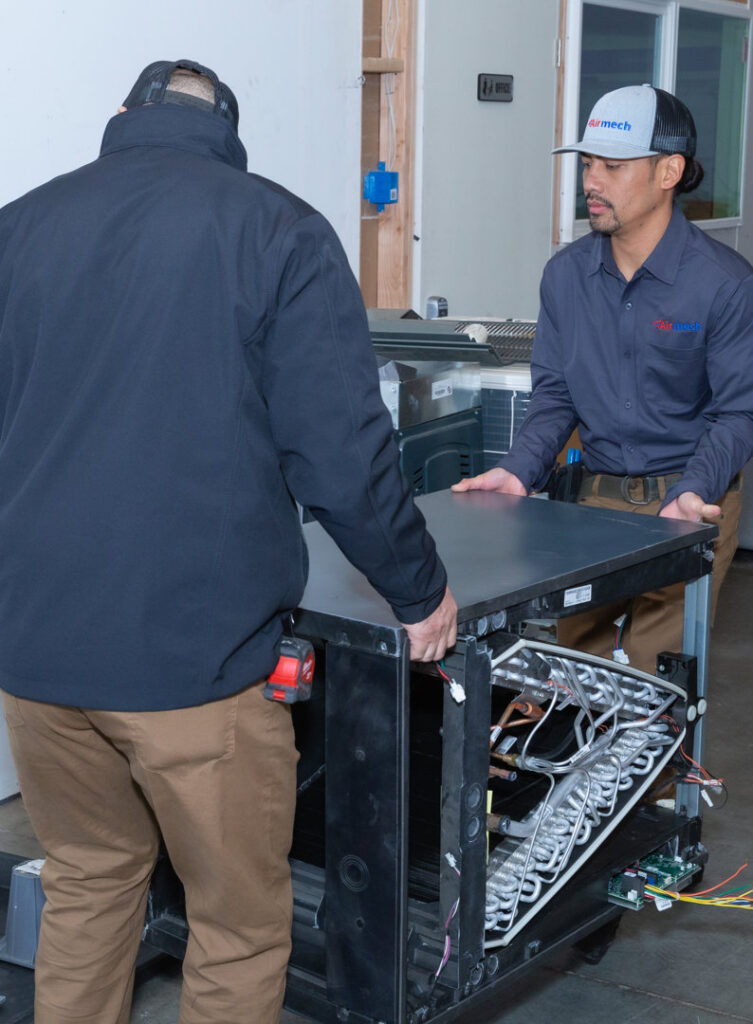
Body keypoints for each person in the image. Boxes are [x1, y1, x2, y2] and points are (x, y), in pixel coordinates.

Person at [0, 60, 457, 1024]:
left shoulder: (19, 226)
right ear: (229, 135)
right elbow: (341, 450)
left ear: (122, 117)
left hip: (34, 657)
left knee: (87, 882)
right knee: (238, 923)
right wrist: (418, 591)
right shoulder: (276, 228)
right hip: (196, 667)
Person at [454, 84, 753, 674]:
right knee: (576, 685)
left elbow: (738, 412)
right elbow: (556, 396)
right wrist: (518, 470)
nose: (592, 181)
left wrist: (694, 492)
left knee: (654, 697)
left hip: (689, 505)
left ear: (669, 171)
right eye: (588, 164)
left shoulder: (723, 283)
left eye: (613, 166)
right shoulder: (566, 276)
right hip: (591, 507)